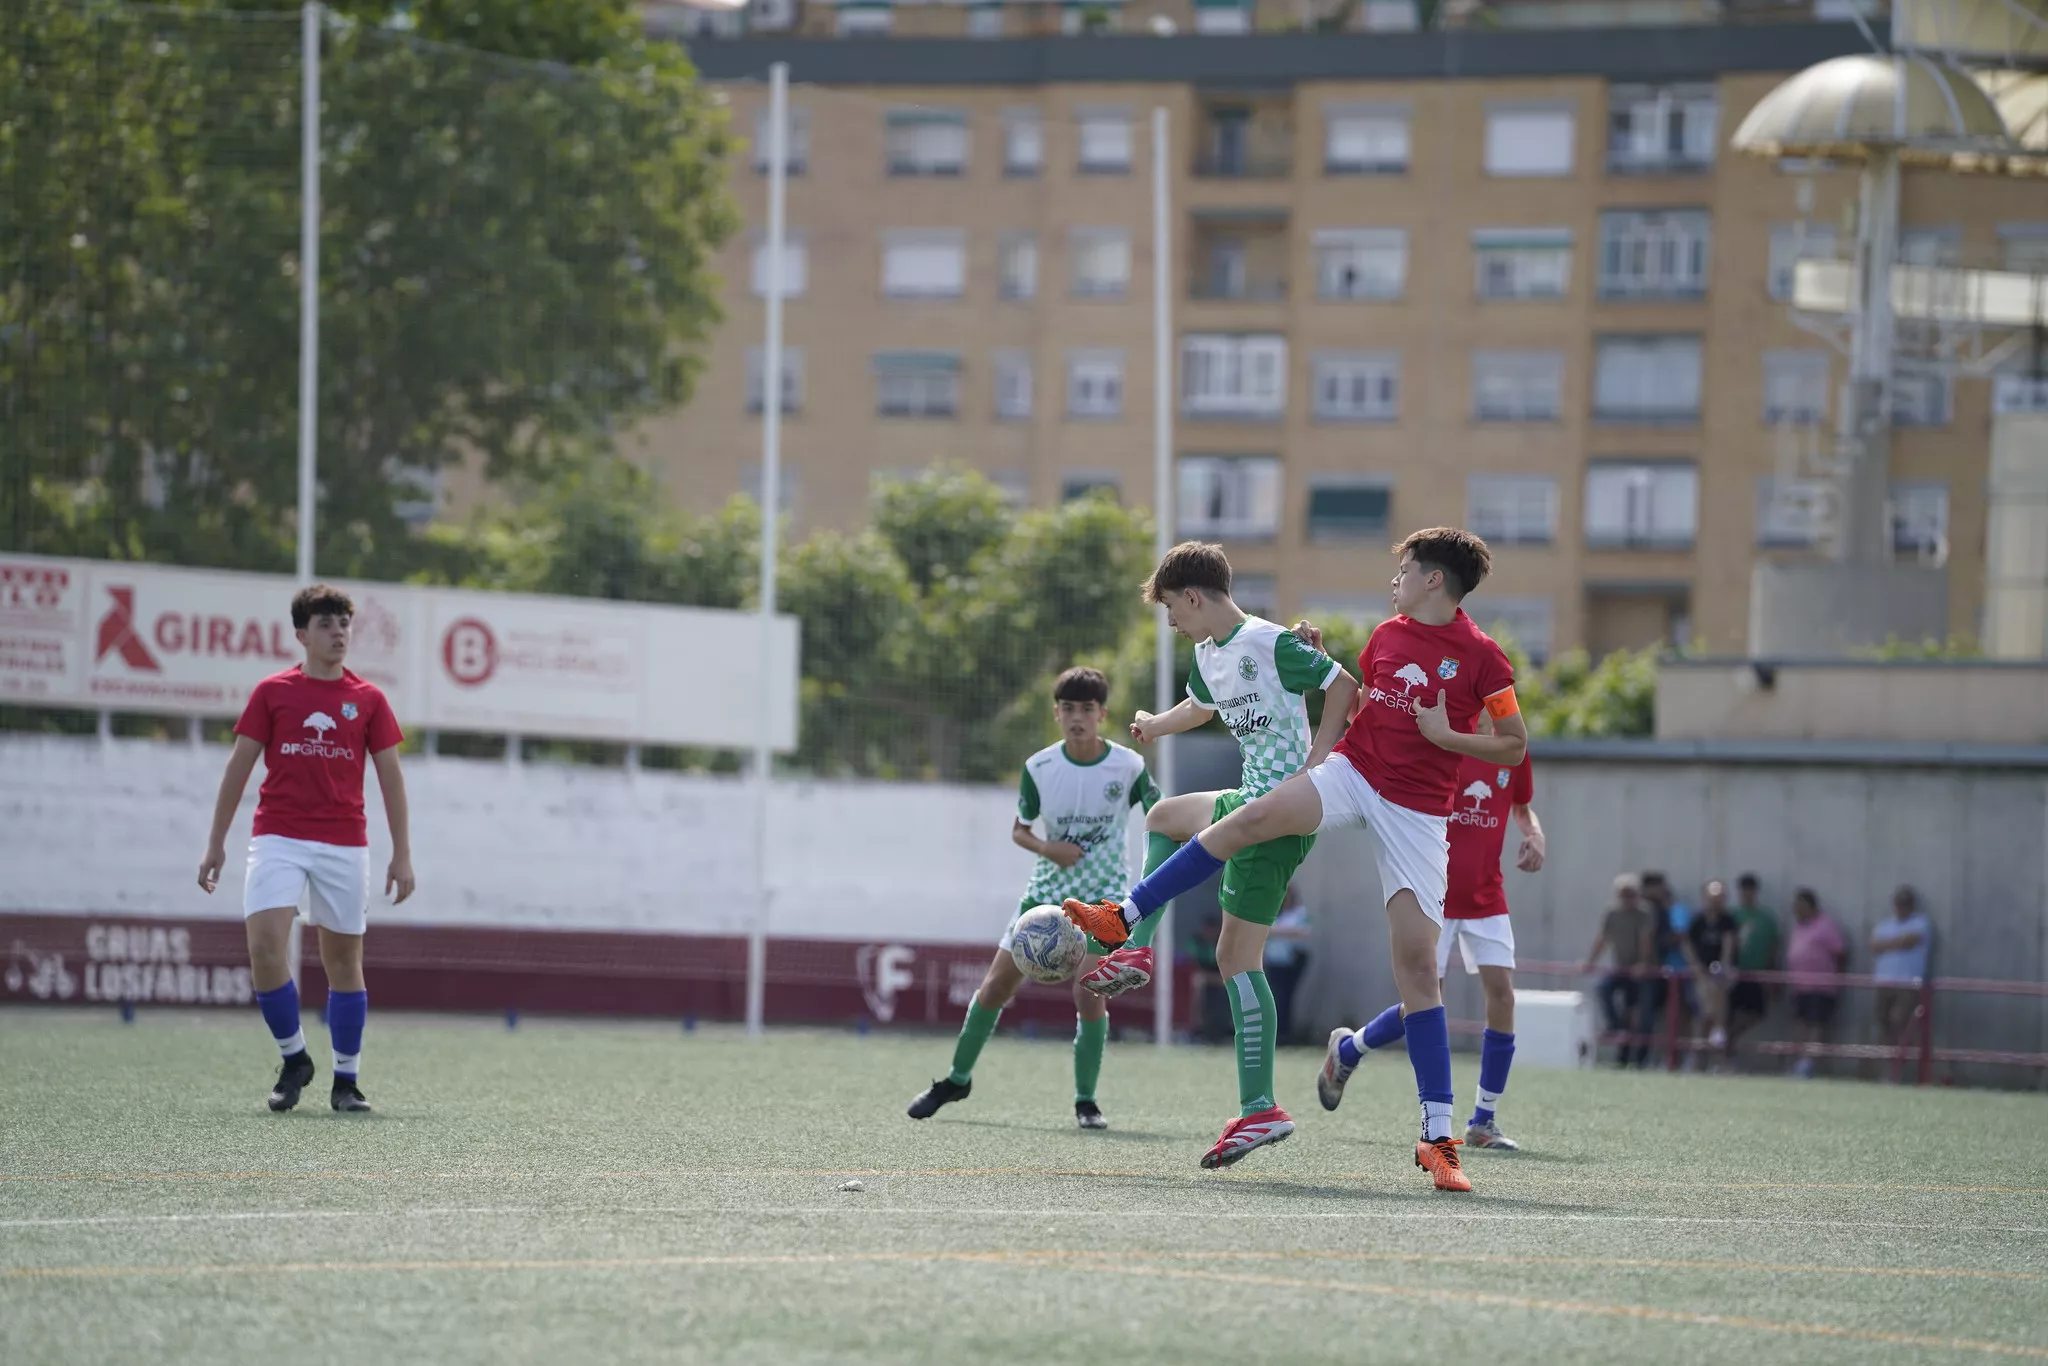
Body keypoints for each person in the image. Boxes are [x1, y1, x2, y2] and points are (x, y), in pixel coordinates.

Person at [1066, 528, 1527, 1193]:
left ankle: (1438, 1140)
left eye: (1403, 570)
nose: (1392, 579)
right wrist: (1316, 735)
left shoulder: (1485, 659)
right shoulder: (1387, 636)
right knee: (1250, 818)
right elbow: (1354, 696)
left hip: (1420, 812)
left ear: (1434, 579)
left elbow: (1512, 745)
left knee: (1420, 972)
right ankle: (1125, 917)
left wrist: (1446, 735)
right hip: (1353, 773)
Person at [1071, 541, 1357, 1170]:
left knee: (1235, 958)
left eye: (1173, 610)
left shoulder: (1270, 642)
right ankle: (1138, 946)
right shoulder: (1209, 651)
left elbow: (1345, 688)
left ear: (1195, 597)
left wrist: (1314, 771)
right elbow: (1201, 705)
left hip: (1275, 816)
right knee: (1164, 816)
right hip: (1248, 800)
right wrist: (1154, 724)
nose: (1171, 623)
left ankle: (1260, 1108)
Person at [908, 667, 1158, 1129]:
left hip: (1102, 904)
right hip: (1043, 900)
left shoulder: (1128, 766)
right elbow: (1020, 830)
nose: (1077, 718)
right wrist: (1049, 848)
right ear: (1056, 714)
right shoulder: (1040, 767)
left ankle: (1086, 1101)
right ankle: (956, 1080)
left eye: (1087, 709)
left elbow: (1160, 816)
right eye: (1068, 709)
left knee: (1088, 995)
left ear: (1102, 714)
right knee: (993, 989)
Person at [197, 584, 414, 1114]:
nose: (338, 633)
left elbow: (391, 780)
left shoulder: (368, 700)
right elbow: (238, 768)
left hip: (345, 843)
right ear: (301, 635)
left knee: (343, 959)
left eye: (344, 624)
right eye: (325, 624)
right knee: (264, 946)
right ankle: (295, 1058)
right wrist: (216, 843)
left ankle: (347, 1080)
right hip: (279, 836)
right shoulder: (272, 692)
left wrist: (402, 854)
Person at [1314, 713, 1544, 1151]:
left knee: (1503, 994)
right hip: (1432, 893)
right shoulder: (1440, 742)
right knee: (1421, 1006)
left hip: (1486, 895)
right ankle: (1350, 1050)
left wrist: (1535, 835)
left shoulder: (1512, 749)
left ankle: (1484, 1121)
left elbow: (1521, 806)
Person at [1583, 874, 1654, 1066]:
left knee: (1642, 1015)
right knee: (1603, 989)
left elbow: (1645, 940)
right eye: (1624, 894)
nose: (1627, 898)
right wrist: (1590, 962)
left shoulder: (1644, 912)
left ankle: (1639, 1060)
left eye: (1631, 894)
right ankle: (1615, 1026)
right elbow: (1603, 938)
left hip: (1641, 972)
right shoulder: (1612, 913)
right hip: (1621, 969)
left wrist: (1642, 964)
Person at [1871, 884, 1933, 1081]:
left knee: (1901, 1023)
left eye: (1905, 903)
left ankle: (1902, 1071)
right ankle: (1888, 1070)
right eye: (1899, 903)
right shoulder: (1884, 925)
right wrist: (1897, 943)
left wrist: (1887, 944)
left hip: (1908, 985)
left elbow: (1910, 941)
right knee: (1884, 1025)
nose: (1901, 907)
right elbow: (1873, 946)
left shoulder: (1920, 923)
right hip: (1884, 984)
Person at [1785, 887, 1848, 1079]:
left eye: (1799, 906)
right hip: (1800, 985)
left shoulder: (1825, 925)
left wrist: (1833, 977)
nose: (1795, 910)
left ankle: (1808, 1064)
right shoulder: (1798, 926)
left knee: (1815, 1024)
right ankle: (1799, 1062)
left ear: (1809, 906)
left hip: (1820, 986)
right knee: (1800, 1024)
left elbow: (1840, 953)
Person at [1683, 880, 1738, 1066]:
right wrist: (1697, 968)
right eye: (1712, 897)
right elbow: (1687, 945)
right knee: (1705, 1014)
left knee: (1712, 999)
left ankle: (1712, 1056)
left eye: (1720, 898)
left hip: (1720, 974)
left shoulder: (1727, 920)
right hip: (1700, 974)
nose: (1716, 901)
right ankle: (1716, 1037)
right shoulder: (1697, 920)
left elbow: (1728, 947)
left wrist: (1723, 966)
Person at [1726, 873, 1780, 1057]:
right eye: (1743, 890)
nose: (1747, 894)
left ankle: (1728, 1039)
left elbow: (1773, 947)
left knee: (1756, 1013)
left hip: (1756, 973)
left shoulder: (1766, 918)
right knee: (1727, 1013)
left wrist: (1771, 975)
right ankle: (1724, 1054)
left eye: (1750, 890)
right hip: (1734, 972)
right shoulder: (1731, 915)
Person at [1264, 884, 1313, 1044]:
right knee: (1275, 997)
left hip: (1292, 960)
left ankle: (1284, 1033)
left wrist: (1275, 931)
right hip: (1275, 959)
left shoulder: (1299, 913)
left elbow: (1303, 932)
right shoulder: (1274, 912)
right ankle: (1275, 1032)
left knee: (1286, 997)